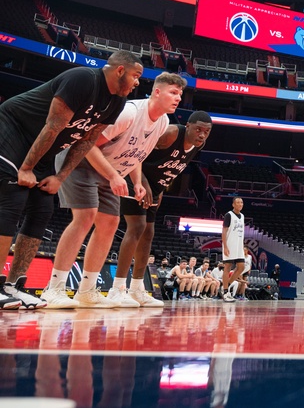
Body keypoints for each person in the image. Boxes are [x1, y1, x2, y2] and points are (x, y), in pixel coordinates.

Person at [0, 50, 139, 309]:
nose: (138, 82)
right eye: (136, 75)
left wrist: (60, 177)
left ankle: (13, 285)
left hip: (44, 148)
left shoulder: (116, 102)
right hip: (13, 129)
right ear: (120, 70)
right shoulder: (83, 79)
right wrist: (27, 167)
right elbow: (52, 126)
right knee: (13, 199)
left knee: (42, 208)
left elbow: (86, 141)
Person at [42, 71, 183, 308]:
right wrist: (113, 176)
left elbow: (137, 152)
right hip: (79, 160)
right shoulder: (129, 112)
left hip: (109, 169)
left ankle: (86, 291)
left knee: (109, 224)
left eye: (180, 94)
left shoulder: (163, 122)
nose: (178, 98)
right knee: (85, 217)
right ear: (157, 92)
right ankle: (54, 288)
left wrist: (137, 182)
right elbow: (87, 144)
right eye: (173, 92)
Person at [111, 111, 212, 308]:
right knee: (137, 227)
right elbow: (136, 150)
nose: (201, 135)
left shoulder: (199, 144)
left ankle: (137, 289)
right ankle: (117, 288)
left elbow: (170, 169)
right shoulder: (171, 133)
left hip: (155, 189)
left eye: (206, 132)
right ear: (188, 125)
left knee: (148, 233)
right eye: (198, 129)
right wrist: (142, 182)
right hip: (135, 178)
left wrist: (158, 191)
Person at [220, 197, 246, 303]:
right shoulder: (229, 215)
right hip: (229, 245)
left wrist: (242, 246)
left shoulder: (242, 216)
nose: (240, 204)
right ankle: (226, 292)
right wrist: (225, 246)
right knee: (227, 267)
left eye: (241, 202)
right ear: (233, 204)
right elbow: (224, 231)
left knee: (241, 267)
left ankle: (226, 286)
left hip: (239, 246)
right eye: (238, 202)